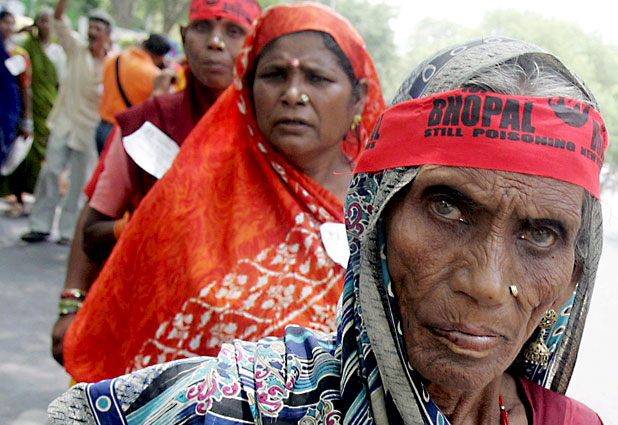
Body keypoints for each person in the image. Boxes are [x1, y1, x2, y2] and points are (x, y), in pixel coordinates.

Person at [49, 37, 606, 425]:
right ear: (375, 220)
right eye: (446, 208)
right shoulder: (236, 405)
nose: (484, 284)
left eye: (541, 235)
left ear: (573, 274)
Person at [60, 2, 385, 384]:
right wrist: (70, 303)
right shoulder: (195, 188)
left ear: (358, 97)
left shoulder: (381, 203)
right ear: (247, 86)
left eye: (317, 78)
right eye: (275, 75)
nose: (294, 94)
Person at [50, 0, 261, 367]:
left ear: (254, 44)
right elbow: (94, 222)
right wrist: (70, 305)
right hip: (147, 325)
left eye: (233, 31)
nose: (215, 42)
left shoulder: (272, 129)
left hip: (243, 344)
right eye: (203, 28)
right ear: (183, 36)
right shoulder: (150, 122)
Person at [20, 0, 112, 245]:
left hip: (88, 129)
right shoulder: (76, 49)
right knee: (50, 172)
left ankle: (68, 231)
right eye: (91, 27)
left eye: (98, 29)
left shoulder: (111, 64)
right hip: (64, 122)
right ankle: (39, 225)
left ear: (107, 36)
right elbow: (58, 19)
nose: (92, 32)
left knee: (80, 183)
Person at [0, 8, 66, 217]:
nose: (46, 26)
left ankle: (35, 200)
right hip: (15, 109)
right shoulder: (24, 45)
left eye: (49, 21)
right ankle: (17, 196)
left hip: (41, 109)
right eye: (42, 21)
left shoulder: (54, 53)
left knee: (38, 156)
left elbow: (56, 84)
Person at [95, 32, 171, 154]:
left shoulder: (115, 59)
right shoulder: (155, 76)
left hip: (102, 127)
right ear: (160, 57)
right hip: (124, 134)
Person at [0, 9, 32, 172]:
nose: (8, 27)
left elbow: (25, 87)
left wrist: (27, 119)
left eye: (12, 24)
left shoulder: (19, 54)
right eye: (5, 22)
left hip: (7, 112)